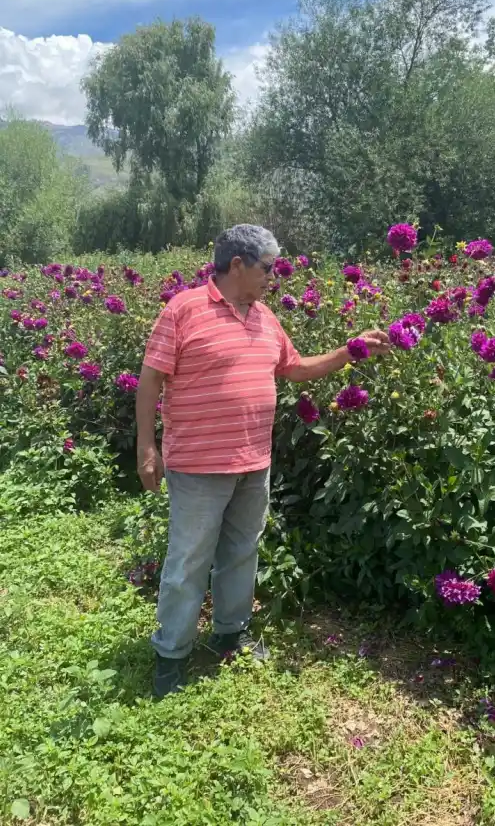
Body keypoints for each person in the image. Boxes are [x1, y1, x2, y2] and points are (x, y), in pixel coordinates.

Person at [137, 224, 390, 698]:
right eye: (268, 268)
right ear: (238, 265)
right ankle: (171, 653)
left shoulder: (265, 317)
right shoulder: (184, 309)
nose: (275, 276)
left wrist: (349, 350)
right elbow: (150, 380)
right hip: (197, 463)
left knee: (241, 551)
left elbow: (295, 368)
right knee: (188, 560)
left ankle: (230, 634)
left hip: (253, 460)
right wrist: (146, 448)